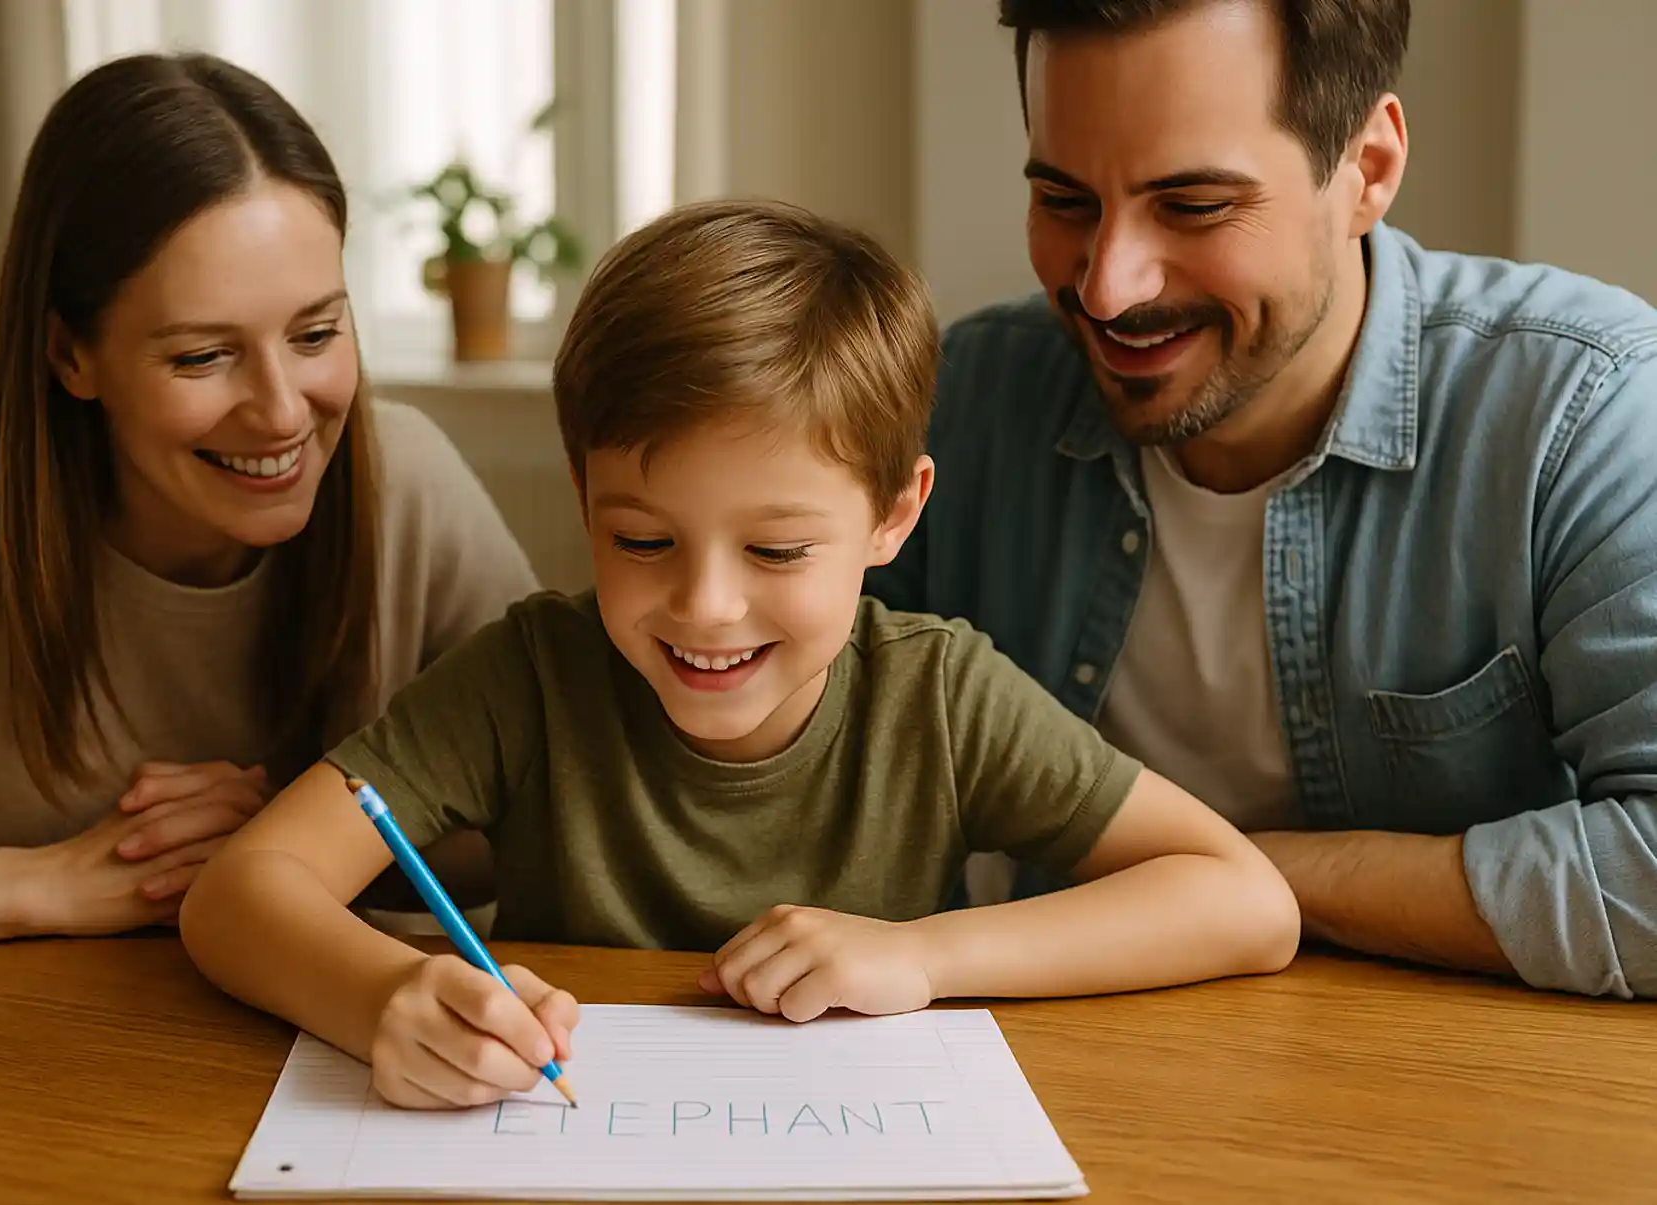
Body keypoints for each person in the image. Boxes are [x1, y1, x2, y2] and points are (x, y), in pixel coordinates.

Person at [178, 197, 1300, 1110]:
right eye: (641, 539)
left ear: (891, 516)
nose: (705, 606)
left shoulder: (938, 692)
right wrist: (387, 994)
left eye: (774, 546)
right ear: (581, 497)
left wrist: (924, 957)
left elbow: (1243, 900)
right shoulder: (527, 674)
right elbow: (239, 892)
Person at [864, 0, 1657, 999]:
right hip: (1059, 1079)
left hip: (1452, 1107)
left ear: (1366, 168)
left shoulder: (1582, 412)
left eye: (1192, 205)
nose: (1107, 287)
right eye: (1064, 201)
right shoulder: (960, 406)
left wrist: (1228, 884)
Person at [0, 52, 537, 959]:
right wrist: (46, 882)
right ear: (70, 355)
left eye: (316, 334)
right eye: (201, 357)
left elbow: (566, 806)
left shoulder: (403, 475)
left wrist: (291, 844)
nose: (284, 410)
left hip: (325, 1055)